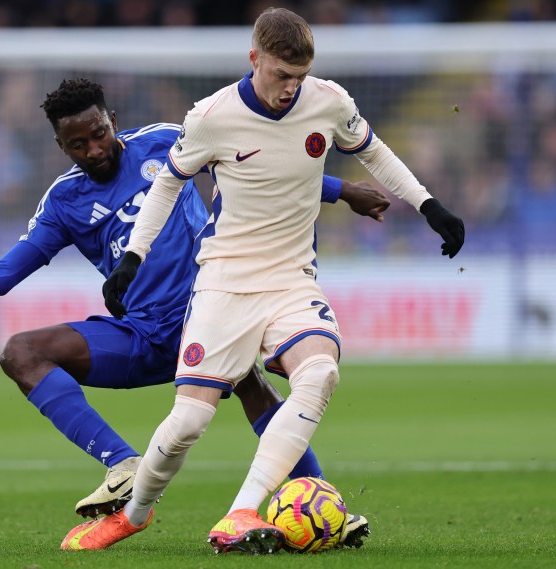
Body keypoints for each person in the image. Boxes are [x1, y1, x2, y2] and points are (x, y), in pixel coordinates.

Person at [0, 78, 388, 539]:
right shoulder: (64, 203)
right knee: (21, 353)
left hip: (211, 312)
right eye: (77, 144)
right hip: (143, 336)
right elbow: (8, 271)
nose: (93, 149)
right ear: (60, 145)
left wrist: (341, 191)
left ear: (111, 120)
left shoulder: (165, 141)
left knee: (251, 384)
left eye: (98, 133)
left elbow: (254, 174)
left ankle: (323, 508)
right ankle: (122, 464)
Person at [74, 7, 465, 554]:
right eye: (282, 75)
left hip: (291, 278)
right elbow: (167, 185)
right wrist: (132, 260)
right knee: (187, 421)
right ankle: (134, 515)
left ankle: (240, 513)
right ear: (255, 59)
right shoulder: (212, 116)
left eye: (299, 77)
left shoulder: (328, 101)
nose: (291, 88)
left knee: (321, 371)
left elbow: (373, 151)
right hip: (226, 281)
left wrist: (429, 205)